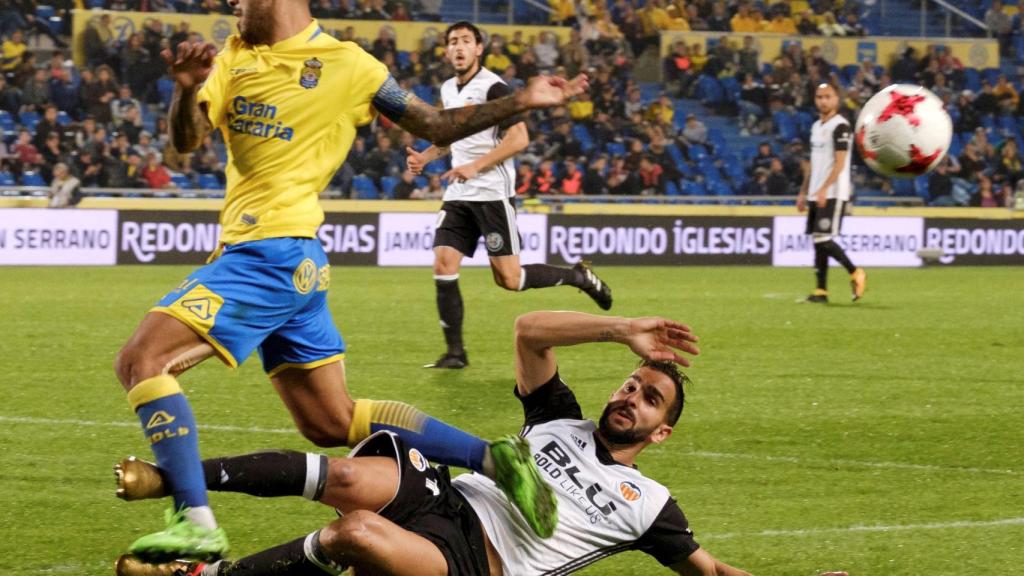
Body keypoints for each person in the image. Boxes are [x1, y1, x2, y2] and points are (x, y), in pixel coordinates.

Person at [114, 0, 591, 563]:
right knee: (331, 421)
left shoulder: (350, 66)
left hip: (270, 252)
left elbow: (434, 124)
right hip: (294, 264)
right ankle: (493, 458)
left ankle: (194, 521)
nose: (232, 6)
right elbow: (187, 142)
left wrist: (523, 100)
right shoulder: (232, 56)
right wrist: (185, 88)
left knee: (142, 362)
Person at [114, 310, 848, 576]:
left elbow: (713, 573)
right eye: (629, 384)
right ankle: (176, 483)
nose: (630, 395)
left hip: (475, 562)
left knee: (355, 535)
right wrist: (621, 328)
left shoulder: (650, 505)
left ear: (662, 433)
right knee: (345, 476)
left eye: (649, 398)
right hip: (445, 492)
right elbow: (528, 329)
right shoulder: (556, 416)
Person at [405, 22, 613, 370]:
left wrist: (475, 166)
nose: (458, 47)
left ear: (479, 49)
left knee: (510, 280)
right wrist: (426, 157)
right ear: (446, 51)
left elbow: (519, 139)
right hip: (459, 193)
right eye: (452, 41)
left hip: (491, 194)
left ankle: (578, 276)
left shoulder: (494, 87)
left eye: (466, 41)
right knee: (443, 264)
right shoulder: (447, 88)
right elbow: (452, 135)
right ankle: (455, 353)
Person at [797, 83, 866, 304]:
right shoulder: (817, 126)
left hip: (834, 192)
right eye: (819, 97)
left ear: (836, 99)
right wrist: (803, 191)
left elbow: (840, 162)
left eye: (828, 96)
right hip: (816, 192)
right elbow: (812, 163)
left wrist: (824, 189)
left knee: (824, 237)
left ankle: (855, 272)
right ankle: (820, 291)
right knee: (818, 240)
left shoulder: (841, 126)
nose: (823, 101)